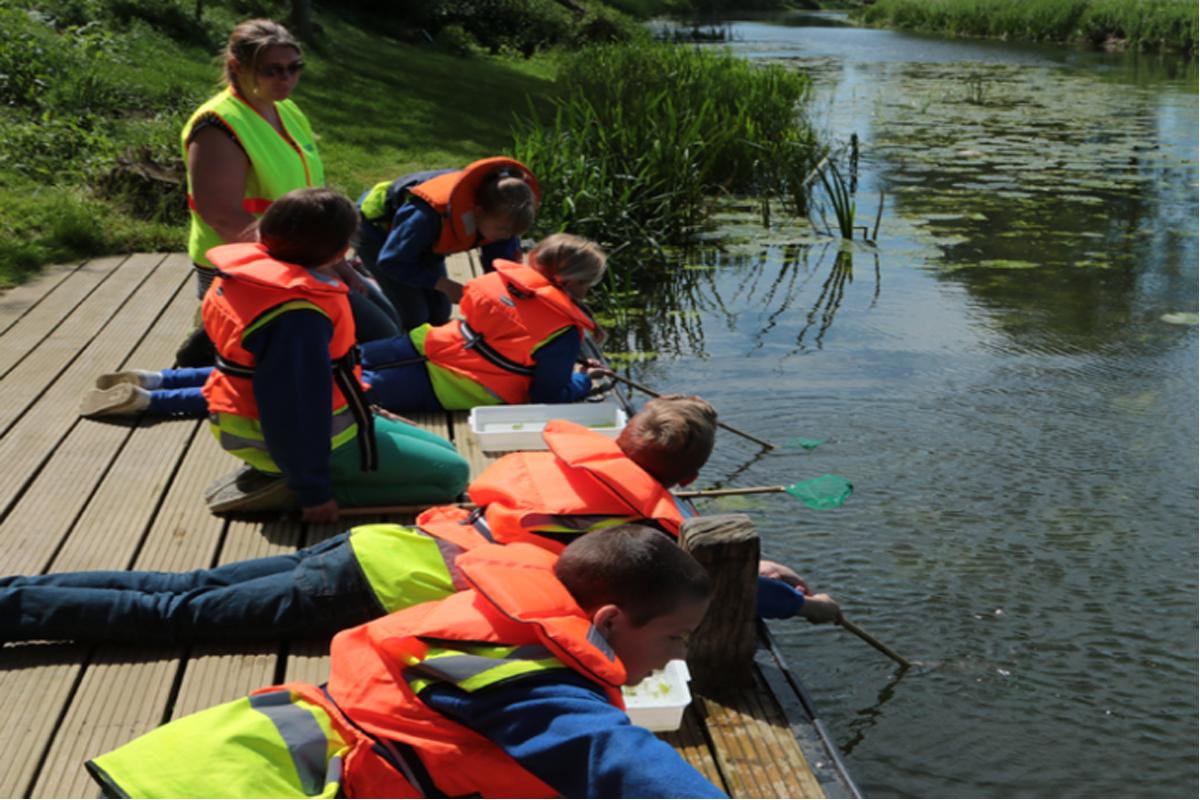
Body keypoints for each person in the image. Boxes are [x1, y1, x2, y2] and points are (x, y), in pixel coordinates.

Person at [3, 396, 837, 645]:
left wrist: (758, 569)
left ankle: (17, 590)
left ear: (617, 437)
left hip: (379, 542)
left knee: (177, 589)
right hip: (381, 584)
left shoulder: (564, 466)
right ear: (687, 479)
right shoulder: (650, 533)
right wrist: (803, 602)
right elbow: (686, 584)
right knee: (176, 619)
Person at [85, 527, 728, 798]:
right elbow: (618, 761)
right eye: (676, 638)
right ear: (609, 621)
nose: (678, 656)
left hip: (213, 760)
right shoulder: (529, 680)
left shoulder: (504, 629)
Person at [79, 232, 611, 417]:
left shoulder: (503, 283)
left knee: (306, 373)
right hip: (441, 383)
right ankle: (152, 400)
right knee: (308, 396)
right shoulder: (561, 330)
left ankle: (158, 379)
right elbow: (549, 392)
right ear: (575, 286)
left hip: (424, 345)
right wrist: (584, 380)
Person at [188, 186, 468, 521]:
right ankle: (285, 488)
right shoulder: (299, 317)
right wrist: (312, 492)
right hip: (274, 436)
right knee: (451, 476)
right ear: (340, 252)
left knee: (445, 451)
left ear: (264, 231)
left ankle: (290, 475)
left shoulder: (246, 277)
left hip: (291, 422)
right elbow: (293, 409)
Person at [176, 18, 400, 366]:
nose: (286, 79)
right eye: (273, 70)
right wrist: (313, 267)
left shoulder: (286, 109)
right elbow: (222, 216)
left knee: (389, 320)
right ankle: (213, 347)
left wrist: (338, 263)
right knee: (379, 336)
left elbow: (311, 202)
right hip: (249, 264)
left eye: (295, 68)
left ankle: (221, 337)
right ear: (238, 67)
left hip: (304, 256)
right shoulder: (216, 126)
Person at [354, 157, 539, 331]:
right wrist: (442, 284)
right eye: (503, 230)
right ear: (477, 211)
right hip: (378, 235)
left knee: (440, 314)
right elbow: (392, 261)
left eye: (513, 233)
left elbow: (500, 270)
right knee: (414, 318)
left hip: (422, 245)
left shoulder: (501, 221)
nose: (507, 236)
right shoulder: (427, 215)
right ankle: (363, 284)